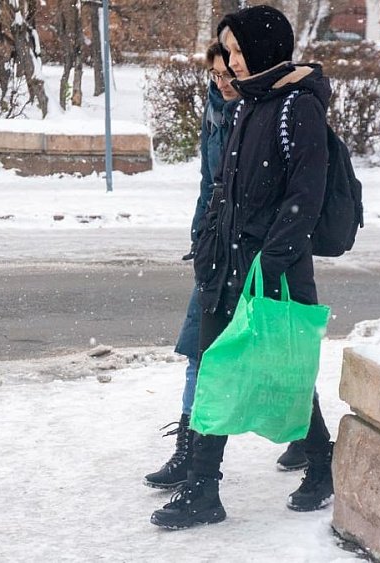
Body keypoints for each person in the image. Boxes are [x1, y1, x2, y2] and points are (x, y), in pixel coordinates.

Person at [150, 5, 335, 530]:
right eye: (226, 51)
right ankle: (204, 490)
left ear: (261, 48)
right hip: (226, 269)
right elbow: (221, 191)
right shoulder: (252, 104)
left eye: (234, 49)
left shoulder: (296, 107)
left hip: (270, 274)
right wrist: (210, 243)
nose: (228, 61)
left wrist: (270, 265)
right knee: (216, 370)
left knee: (282, 372)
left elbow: (306, 195)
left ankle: (321, 463)